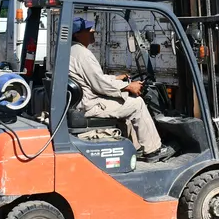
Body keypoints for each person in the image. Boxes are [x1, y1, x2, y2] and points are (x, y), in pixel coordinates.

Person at [68, 17, 174, 163]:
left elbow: (94, 78)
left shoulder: (72, 51)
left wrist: (116, 79)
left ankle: (135, 147)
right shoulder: (82, 54)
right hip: (90, 105)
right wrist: (128, 86)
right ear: (77, 34)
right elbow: (99, 84)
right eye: (88, 30)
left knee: (126, 104)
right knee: (137, 104)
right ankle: (153, 150)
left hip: (83, 102)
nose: (93, 31)